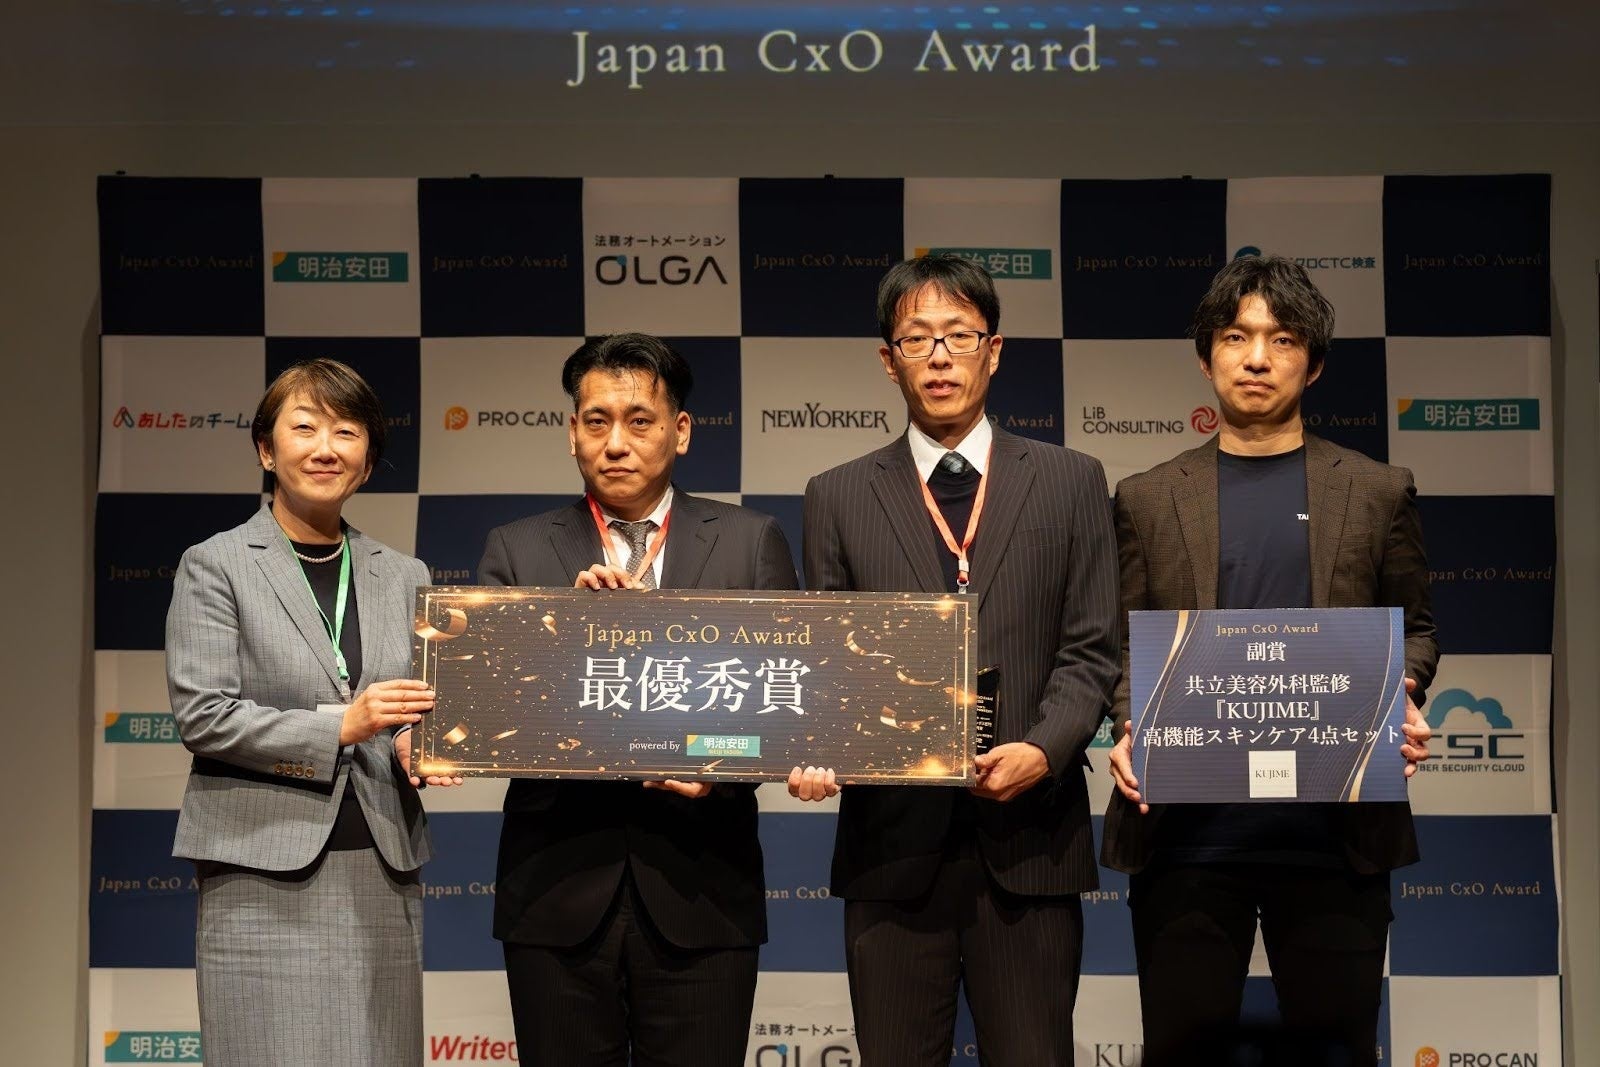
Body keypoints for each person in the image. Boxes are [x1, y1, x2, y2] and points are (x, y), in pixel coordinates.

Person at [1100, 254, 1436, 1067]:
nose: (1257, 358)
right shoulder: (1147, 496)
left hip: (1334, 834)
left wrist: (1403, 688)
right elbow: (1125, 642)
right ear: (1206, 356)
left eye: (1282, 340)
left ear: (1312, 364)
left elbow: (1418, 627)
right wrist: (1128, 722)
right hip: (1187, 834)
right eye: (1236, 337)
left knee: (1339, 1051)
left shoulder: (1378, 489)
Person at [790, 255, 1121, 1064]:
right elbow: (828, 660)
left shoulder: (1072, 480)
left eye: (959, 336)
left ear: (993, 350)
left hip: (1032, 838)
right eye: (917, 339)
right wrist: (820, 744)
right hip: (891, 846)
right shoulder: (837, 493)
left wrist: (1044, 748)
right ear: (889, 359)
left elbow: (1092, 647)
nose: (939, 357)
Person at [478, 332, 798, 1067]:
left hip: (704, 890)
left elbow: (784, 701)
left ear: (680, 431)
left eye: (639, 420)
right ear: (572, 432)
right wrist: (564, 627)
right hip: (555, 890)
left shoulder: (751, 541)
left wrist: (718, 769)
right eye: (596, 421)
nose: (615, 442)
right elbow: (490, 709)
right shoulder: (517, 548)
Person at [166, 358, 459, 1066]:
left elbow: (408, 711)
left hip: (381, 863)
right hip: (261, 866)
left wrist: (413, 745)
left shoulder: (405, 574)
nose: (326, 448)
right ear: (267, 450)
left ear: (367, 462)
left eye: (346, 432)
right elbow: (203, 715)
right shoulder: (217, 563)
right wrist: (341, 725)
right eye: (305, 428)